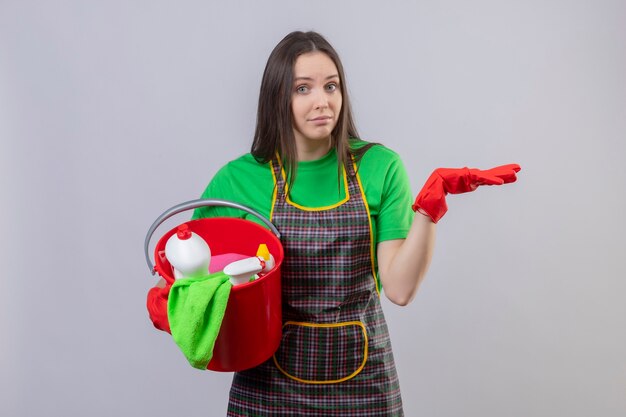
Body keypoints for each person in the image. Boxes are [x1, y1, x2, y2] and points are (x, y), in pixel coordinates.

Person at [148, 31, 520, 416]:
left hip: (365, 381)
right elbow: (185, 277)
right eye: (302, 89)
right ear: (277, 97)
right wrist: (171, 302)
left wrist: (428, 211)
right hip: (267, 383)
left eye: (331, 86)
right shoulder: (238, 181)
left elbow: (400, 289)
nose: (322, 101)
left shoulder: (380, 167)